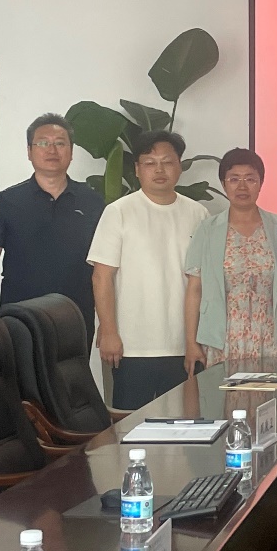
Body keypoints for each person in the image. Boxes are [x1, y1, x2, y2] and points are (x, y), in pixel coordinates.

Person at [87, 130, 208, 410]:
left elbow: (201, 282)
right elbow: (102, 277)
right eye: (150, 163)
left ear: (180, 166)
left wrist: (196, 341)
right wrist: (109, 331)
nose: (159, 170)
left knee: (184, 424)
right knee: (131, 424)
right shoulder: (119, 212)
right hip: (132, 346)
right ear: (137, 169)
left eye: (167, 162)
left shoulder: (198, 214)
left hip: (184, 344)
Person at [0, 113, 104, 336]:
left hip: (76, 318)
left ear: (71, 152)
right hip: (19, 320)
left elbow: (104, 268)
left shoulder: (92, 202)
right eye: (43, 143)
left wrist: (107, 323)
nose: (52, 150)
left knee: (73, 362)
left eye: (60, 143)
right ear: (29, 151)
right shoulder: (7, 202)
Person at [184, 148, 277, 373]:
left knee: (268, 393)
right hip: (223, 338)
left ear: (261, 183)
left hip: (269, 337)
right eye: (234, 179)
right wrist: (191, 343)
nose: (242, 187)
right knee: (222, 394)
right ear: (223, 184)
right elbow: (194, 289)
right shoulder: (207, 230)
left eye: (250, 179)